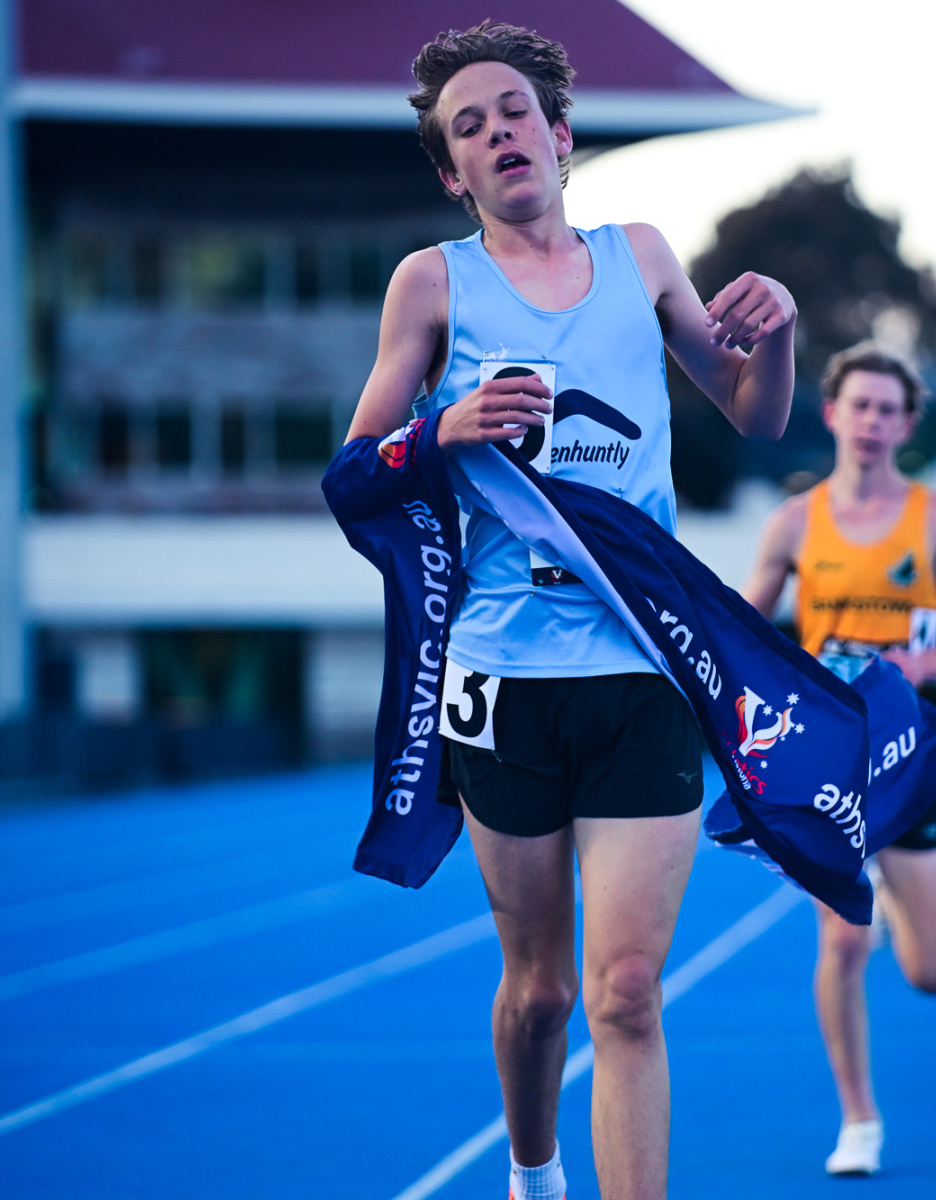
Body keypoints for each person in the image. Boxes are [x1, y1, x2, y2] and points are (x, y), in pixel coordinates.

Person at [342, 23, 796, 1200]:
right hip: (503, 679)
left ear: (561, 135)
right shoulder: (432, 284)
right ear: (454, 172)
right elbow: (354, 472)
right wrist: (439, 430)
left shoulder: (642, 256)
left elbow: (754, 415)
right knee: (540, 992)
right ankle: (533, 1170)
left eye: (514, 113)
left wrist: (783, 328)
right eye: (469, 127)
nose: (498, 134)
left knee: (627, 990)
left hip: (643, 663)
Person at [742, 344, 936, 1176]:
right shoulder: (794, 523)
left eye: (889, 409)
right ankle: (858, 1120)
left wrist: (921, 665)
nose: (873, 422)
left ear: (907, 424)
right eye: (860, 405)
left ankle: (892, 898)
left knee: (933, 972)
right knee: (843, 944)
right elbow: (744, 631)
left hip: (911, 762)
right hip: (832, 766)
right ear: (832, 413)